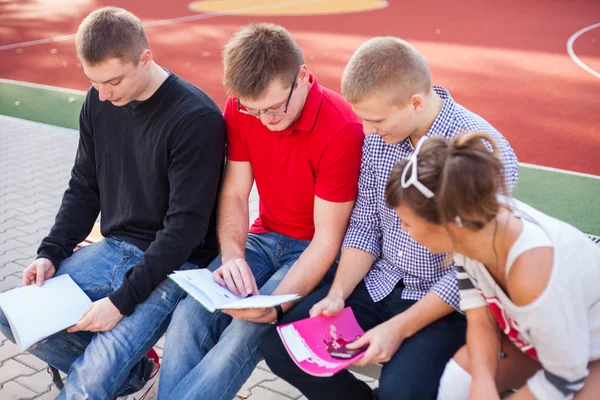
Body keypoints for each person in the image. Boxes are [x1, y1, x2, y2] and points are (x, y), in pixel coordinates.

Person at [260, 36, 520, 400]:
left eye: (376, 119)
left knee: (401, 389)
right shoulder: (379, 137)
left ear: (415, 102)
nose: (366, 131)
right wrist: (338, 294)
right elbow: (365, 225)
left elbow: (469, 272)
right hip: (381, 282)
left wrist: (397, 328)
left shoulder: (481, 151)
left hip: (445, 304)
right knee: (282, 347)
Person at [0, 7, 226, 400]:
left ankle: (112, 374)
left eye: (113, 81)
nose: (103, 94)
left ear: (146, 59)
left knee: (90, 379)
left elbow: (184, 231)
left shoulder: (195, 117)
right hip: (114, 249)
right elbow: (84, 186)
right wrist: (50, 252)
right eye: (93, 81)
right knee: (11, 314)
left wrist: (120, 304)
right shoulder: (99, 100)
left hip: (177, 263)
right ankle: (137, 376)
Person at [157, 23, 364, 400]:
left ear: (302, 77)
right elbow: (235, 193)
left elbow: (328, 239)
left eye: (274, 108)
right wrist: (233, 256)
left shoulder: (341, 128)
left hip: (314, 250)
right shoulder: (241, 107)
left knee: (245, 332)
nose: (266, 121)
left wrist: (278, 305)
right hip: (264, 237)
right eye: (254, 112)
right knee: (190, 314)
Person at [384, 132, 600, 400]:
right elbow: (481, 319)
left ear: (448, 224)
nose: (403, 231)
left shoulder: (531, 273)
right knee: (459, 380)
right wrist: (482, 382)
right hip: (547, 343)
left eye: (407, 222)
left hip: (587, 356)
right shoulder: (469, 230)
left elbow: (565, 377)